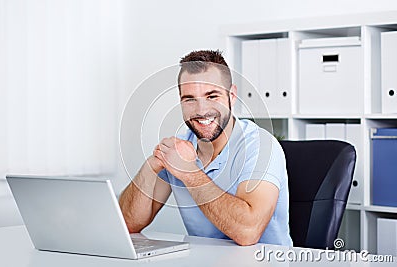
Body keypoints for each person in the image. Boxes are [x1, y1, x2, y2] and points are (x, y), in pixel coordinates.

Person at [119, 50, 293, 246]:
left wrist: (189, 172)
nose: (201, 110)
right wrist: (154, 163)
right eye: (190, 98)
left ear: (232, 96)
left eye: (212, 96)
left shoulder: (261, 146)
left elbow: (248, 232)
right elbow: (126, 224)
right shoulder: (181, 148)